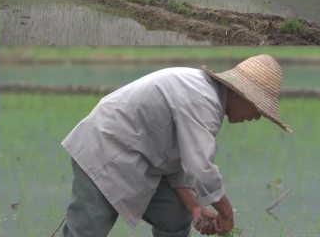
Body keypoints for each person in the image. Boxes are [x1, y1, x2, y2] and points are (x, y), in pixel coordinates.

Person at [60, 54, 291, 237]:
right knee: (86, 232)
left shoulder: (206, 97)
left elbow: (178, 161)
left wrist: (194, 207)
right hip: (106, 149)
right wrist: (227, 213)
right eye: (259, 109)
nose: (257, 116)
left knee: (175, 215)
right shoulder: (203, 100)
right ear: (244, 96)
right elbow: (200, 168)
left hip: (135, 157)